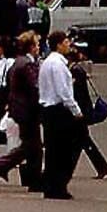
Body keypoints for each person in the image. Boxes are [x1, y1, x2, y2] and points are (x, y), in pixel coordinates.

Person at [0, 31, 42, 192]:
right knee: (32, 146)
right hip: (26, 111)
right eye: (37, 44)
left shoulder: (18, 62)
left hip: (20, 109)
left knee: (32, 146)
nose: (39, 48)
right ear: (31, 47)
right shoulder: (26, 64)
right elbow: (34, 87)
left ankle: (30, 179)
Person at [38, 30, 83, 200]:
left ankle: (51, 185)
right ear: (58, 44)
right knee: (64, 149)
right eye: (66, 42)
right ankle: (58, 184)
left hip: (48, 108)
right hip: (58, 110)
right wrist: (75, 110)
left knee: (53, 149)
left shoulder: (48, 63)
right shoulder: (57, 65)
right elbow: (63, 91)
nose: (68, 45)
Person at [70, 48, 107, 179]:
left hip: (80, 110)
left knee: (81, 140)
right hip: (82, 108)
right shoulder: (77, 70)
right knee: (81, 141)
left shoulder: (75, 71)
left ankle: (102, 167)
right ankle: (102, 167)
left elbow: (78, 94)